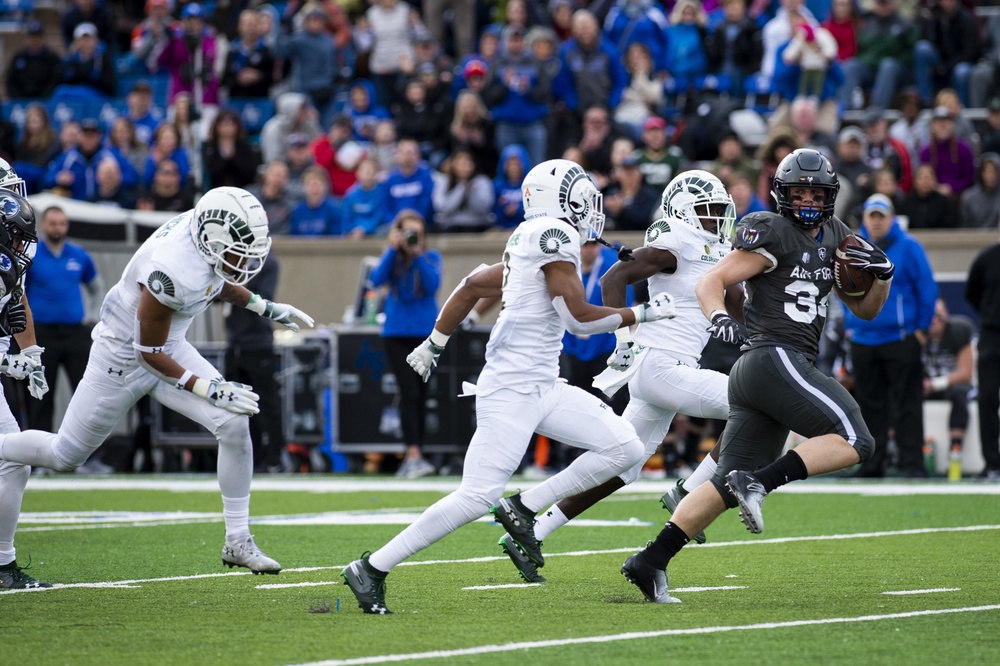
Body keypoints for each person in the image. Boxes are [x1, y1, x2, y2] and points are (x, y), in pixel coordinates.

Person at [340, 159, 678, 614]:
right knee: (477, 495)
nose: (590, 206)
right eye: (581, 196)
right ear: (560, 199)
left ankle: (524, 507)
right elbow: (577, 320)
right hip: (512, 389)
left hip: (542, 384)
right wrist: (643, 313)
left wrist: (434, 343)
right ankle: (373, 567)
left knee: (627, 447)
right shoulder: (552, 235)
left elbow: (470, 285)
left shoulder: (533, 237)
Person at [620, 148, 890, 604]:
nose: (806, 199)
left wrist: (881, 277)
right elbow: (713, 281)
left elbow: (864, 310)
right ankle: (762, 482)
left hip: (763, 372)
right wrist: (718, 316)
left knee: (728, 478)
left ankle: (650, 560)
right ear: (783, 193)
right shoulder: (773, 230)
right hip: (774, 356)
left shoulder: (837, 236)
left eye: (815, 191)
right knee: (857, 440)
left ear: (830, 196)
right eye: (798, 191)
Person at [0, 187, 315, 575]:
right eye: (239, 250)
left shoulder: (202, 238)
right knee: (65, 455)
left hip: (169, 348)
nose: (246, 260)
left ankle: (237, 540)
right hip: (122, 359)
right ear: (211, 239)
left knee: (233, 423)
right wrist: (207, 386)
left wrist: (262, 305)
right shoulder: (170, 269)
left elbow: (216, 279)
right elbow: (146, 353)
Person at [496, 170, 744, 582]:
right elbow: (616, 276)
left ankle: (533, 526)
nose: (716, 219)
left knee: (622, 465)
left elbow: (739, 308)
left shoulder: (716, 249)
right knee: (752, 402)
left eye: (720, 210)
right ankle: (689, 491)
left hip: (671, 371)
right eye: (707, 211)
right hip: (660, 364)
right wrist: (623, 338)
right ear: (683, 211)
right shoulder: (677, 241)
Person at [843, 193, 936, 478]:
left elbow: (927, 289)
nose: (877, 222)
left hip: (900, 338)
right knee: (869, 407)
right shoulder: (854, 247)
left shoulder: (909, 247)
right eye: (872, 216)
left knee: (907, 404)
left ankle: (912, 464)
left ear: (892, 218)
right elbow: (841, 287)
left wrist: (920, 329)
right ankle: (872, 464)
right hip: (863, 339)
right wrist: (850, 324)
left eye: (882, 216)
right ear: (865, 220)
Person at [0, 185, 50, 589]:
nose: (21, 245)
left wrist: (28, 354)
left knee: (15, 461)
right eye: (15, 235)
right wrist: (8, 360)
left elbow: (18, 299)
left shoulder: (6, 267)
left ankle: (2, 565)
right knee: (15, 459)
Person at [368, 210, 441, 478]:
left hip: (425, 334)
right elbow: (375, 280)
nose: (413, 238)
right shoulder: (393, 259)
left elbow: (433, 286)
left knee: (423, 395)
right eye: (408, 233)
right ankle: (413, 454)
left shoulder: (431, 257)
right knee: (409, 392)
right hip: (396, 334)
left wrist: (417, 253)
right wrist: (392, 248)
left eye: (417, 234)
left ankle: (419, 453)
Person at [23, 206, 103, 434]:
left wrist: (92, 316)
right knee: (40, 394)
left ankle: (86, 456)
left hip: (76, 333)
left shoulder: (79, 254)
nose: (57, 228)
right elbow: (19, 293)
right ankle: (41, 458)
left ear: (66, 226)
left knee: (85, 392)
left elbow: (96, 288)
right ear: (44, 225)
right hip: (41, 334)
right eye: (53, 223)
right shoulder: (32, 254)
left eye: (61, 223)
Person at [224, 255, 285, 474]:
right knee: (240, 406)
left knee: (267, 403)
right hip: (235, 343)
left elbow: (264, 299)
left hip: (257, 343)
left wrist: (241, 284)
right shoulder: (232, 259)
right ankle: (252, 457)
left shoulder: (267, 263)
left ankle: (275, 457)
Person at [922, 298, 975, 465]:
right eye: (929, 316)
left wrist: (934, 384)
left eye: (937, 315)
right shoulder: (917, 335)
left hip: (950, 387)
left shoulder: (958, 331)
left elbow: (966, 374)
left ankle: (955, 451)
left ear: (946, 315)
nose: (933, 321)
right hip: (923, 388)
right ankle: (896, 450)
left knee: (960, 394)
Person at [966, 224, 1000, 480]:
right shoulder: (987, 259)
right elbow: (972, 293)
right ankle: (992, 464)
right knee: (987, 399)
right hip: (992, 335)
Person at [4, 20, 62, 100]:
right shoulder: (18, 58)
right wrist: (19, 99)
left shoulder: (53, 58)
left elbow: (55, 81)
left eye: (37, 37)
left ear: (43, 38)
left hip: (47, 102)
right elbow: (11, 81)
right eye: (31, 37)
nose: (34, 41)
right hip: (21, 102)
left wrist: (44, 98)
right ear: (26, 39)